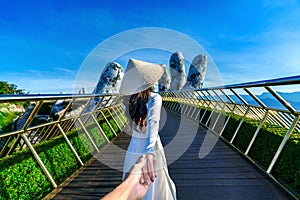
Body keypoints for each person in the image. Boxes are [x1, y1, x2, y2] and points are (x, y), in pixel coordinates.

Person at [119, 58, 177, 200]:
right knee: (153, 187)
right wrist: (149, 153)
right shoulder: (155, 98)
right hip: (150, 147)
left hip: (134, 146)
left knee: (133, 185)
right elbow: (153, 123)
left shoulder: (126, 102)